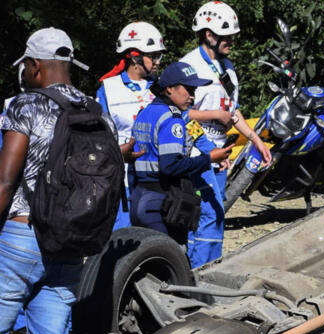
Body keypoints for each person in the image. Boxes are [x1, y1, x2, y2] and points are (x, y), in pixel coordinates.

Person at [0, 28, 116, 334]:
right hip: (70, 245)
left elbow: (6, 179)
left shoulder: (25, 105)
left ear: (35, 65)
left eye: (26, 67)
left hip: (22, 235)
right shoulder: (94, 110)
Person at [180, 1, 273, 267]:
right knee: (202, 217)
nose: (232, 40)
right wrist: (212, 118)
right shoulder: (189, 66)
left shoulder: (227, 67)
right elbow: (179, 115)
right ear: (209, 35)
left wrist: (257, 141)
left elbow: (233, 113)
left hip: (220, 156)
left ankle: (213, 270)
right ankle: (195, 274)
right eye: (227, 35)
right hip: (196, 155)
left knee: (218, 216)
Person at [131, 62, 232, 244]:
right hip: (162, 202)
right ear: (170, 88)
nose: (192, 97)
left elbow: (193, 132)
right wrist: (209, 159)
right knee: (172, 263)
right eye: (189, 90)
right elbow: (171, 166)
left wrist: (210, 150)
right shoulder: (171, 119)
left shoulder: (146, 112)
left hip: (140, 197)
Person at [98, 21, 165, 230]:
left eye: (159, 55)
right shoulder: (108, 89)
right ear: (135, 57)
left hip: (158, 179)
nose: (158, 61)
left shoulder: (163, 87)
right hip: (122, 182)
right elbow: (99, 135)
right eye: (153, 56)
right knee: (123, 240)